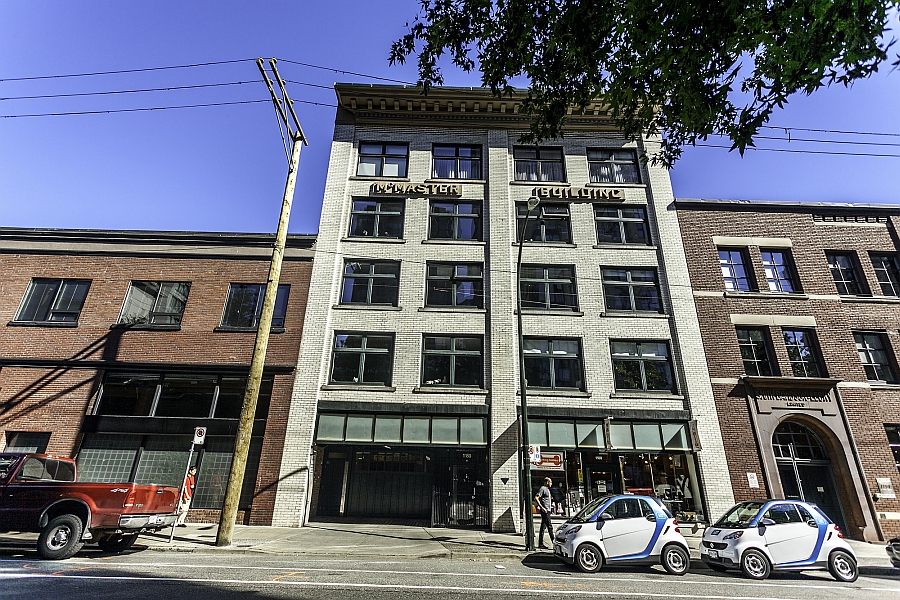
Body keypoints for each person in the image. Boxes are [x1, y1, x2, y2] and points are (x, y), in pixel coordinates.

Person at [534, 477, 554, 549]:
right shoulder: (543, 488)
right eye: (550, 482)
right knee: (549, 526)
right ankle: (554, 542)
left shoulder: (547, 490)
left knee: (543, 527)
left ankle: (541, 543)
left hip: (547, 510)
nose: (551, 483)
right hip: (545, 511)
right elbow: (536, 498)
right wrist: (542, 508)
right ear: (547, 482)